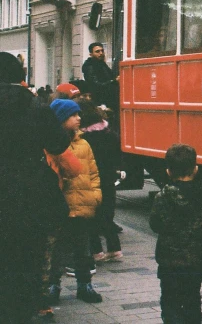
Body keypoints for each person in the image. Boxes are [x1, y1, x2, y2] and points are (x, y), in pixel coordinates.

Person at [0, 52, 70, 324]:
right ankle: (21, 309)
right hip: (29, 188)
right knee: (27, 252)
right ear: (19, 75)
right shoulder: (37, 106)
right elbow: (58, 145)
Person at [150, 144, 202, 324]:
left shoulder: (162, 197)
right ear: (195, 169)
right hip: (196, 261)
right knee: (192, 299)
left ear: (168, 172)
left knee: (170, 301)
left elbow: (155, 224)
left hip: (169, 262)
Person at [47, 99, 104, 304]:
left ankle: (85, 285)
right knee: (57, 251)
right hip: (61, 207)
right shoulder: (52, 145)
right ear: (61, 119)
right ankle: (53, 286)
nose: (79, 118)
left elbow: (94, 172)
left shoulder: (84, 144)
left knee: (83, 250)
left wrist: (95, 195)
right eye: (74, 115)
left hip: (82, 206)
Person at [77, 98, 123, 263]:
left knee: (91, 215)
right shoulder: (109, 133)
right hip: (108, 178)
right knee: (107, 216)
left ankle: (96, 251)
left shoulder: (84, 138)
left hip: (91, 179)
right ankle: (114, 249)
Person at [81, 42, 119, 110]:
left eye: (102, 51)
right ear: (91, 54)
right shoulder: (89, 66)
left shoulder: (102, 64)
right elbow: (95, 84)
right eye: (97, 51)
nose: (101, 53)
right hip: (99, 101)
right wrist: (114, 81)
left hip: (108, 100)